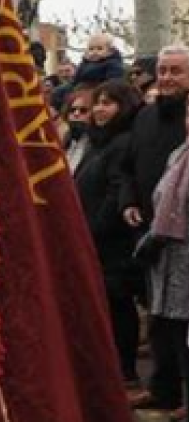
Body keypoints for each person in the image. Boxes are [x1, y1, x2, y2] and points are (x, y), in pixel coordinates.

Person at [122, 45, 189, 413]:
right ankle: (164, 390)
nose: (166, 78)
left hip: (181, 239)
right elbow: (127, 165)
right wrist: (128, 202)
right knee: (160, 319)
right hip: (149, 234)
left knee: (182, 323)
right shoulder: (144, 116)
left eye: (176, 71)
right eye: (162, 70)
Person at [71, 80, 143, 389]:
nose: (99, 110)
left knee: (118, 306)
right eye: (97, 103)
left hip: (111, 243)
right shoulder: (98, 142)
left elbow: (116, 193)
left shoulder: (123, 143)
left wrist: (93, 230)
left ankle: (125, 373)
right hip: (92, 239)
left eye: (107, 103)